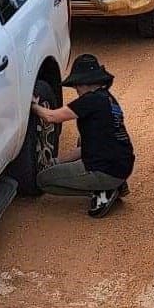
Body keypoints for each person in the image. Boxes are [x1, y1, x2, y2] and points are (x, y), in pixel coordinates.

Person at [31, 54, 134, 217]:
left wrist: (33, 106)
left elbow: (52, 117)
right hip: (122, 165)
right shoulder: (108, 99)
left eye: (77, 85)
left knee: (43, 181)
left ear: (86, 83)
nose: (76, 90)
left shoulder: (90, 101)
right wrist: (56, 162)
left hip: (104, 170)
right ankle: (114, 184)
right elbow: (87, 146)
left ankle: (103, 189)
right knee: (82, 138)